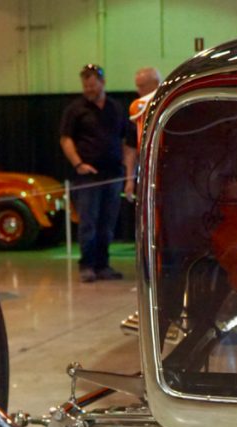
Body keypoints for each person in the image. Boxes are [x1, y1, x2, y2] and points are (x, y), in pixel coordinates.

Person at [60, 64, 133, 283]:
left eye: (93, 85)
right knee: (88, 222)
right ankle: (87, 265)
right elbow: (65, 139)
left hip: (113, 175)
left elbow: (128, 144)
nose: (89, 89)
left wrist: (129, 177)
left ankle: (103, 265)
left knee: (107, 223)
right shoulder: (75, 110)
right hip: (87, 176)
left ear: (102, 83)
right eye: (86, 86)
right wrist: (78, 163)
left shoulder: (116, 108)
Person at [123, 67, 162, 199]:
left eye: (142, 86)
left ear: (156, 83)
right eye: (137, 86)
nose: (139, 91)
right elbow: (131, 149)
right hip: (146, 173)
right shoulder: (137, 114)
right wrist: (129, 180)